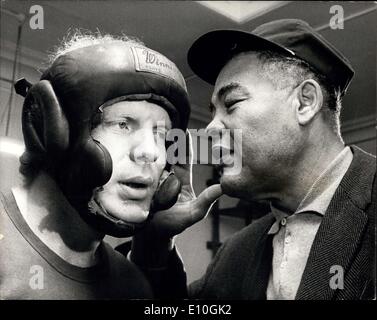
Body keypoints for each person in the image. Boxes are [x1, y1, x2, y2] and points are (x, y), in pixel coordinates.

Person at [128, 19, 376, 300]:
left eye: (231, 103)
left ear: (305, 102)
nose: (209, 129)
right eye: (212, 112)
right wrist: (154, 240)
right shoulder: (236, 254)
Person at [0, 31, 196, 299]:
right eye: (123, 124)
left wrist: (157, 242)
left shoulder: (132, 284)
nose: (151, 152)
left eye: (161, 134)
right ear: (49, 127)